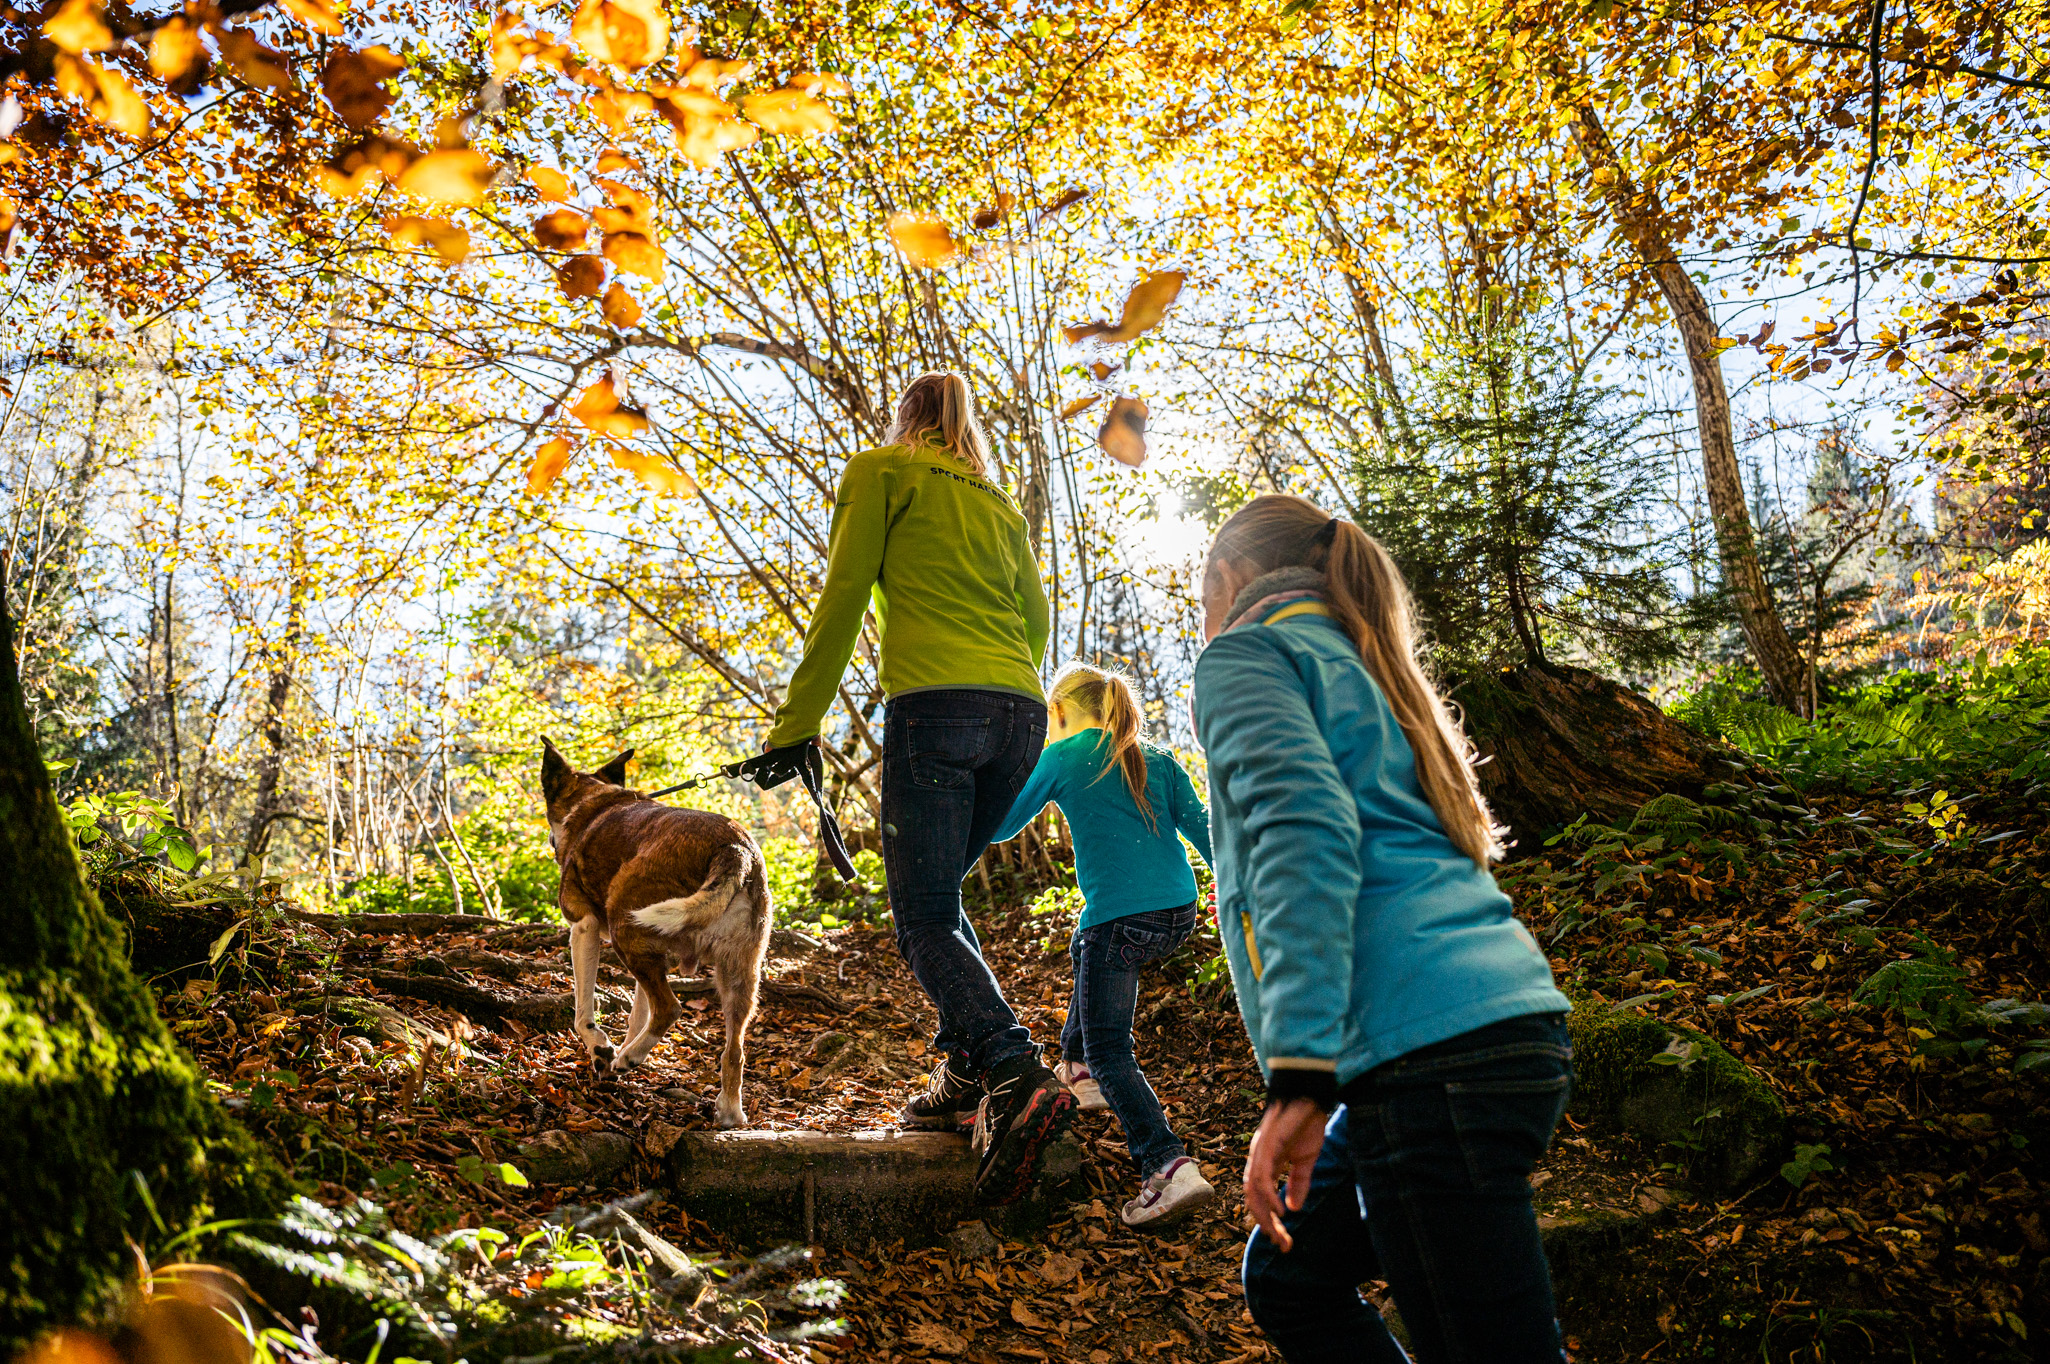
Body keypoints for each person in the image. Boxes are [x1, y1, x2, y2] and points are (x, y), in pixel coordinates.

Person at [1191, 493, 1574, 1363]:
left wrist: (1299, 1073)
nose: (1202, 625)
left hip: (1428, 1060)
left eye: (1199, 602)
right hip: (1493, 1029)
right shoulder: (1364, 657)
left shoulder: (1247, 654)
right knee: (1290, 1275)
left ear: (1228, 579)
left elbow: (1304, 832)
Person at [740, 371, 1075, 1205]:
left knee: (921, 915)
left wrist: (795, 727)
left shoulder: (881, 472)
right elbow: (1036, 624)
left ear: (906, 418)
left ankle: (1010, 1064)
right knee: (942, 899)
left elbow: (845, 595)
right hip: (1022, 717)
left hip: (936, 711)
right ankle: (965, 1070)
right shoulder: (1000, 506)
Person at [991, 661, 1217, 1230]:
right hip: (1176, 914)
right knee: (1085, 949)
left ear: (1060, 713)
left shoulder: (1063, 756)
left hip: (1120, 922)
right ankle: (1077, 1068)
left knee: (1113, 1047)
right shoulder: (1157, 758)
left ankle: (1168, 1165)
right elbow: (1207, 832)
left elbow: (1001, 827)